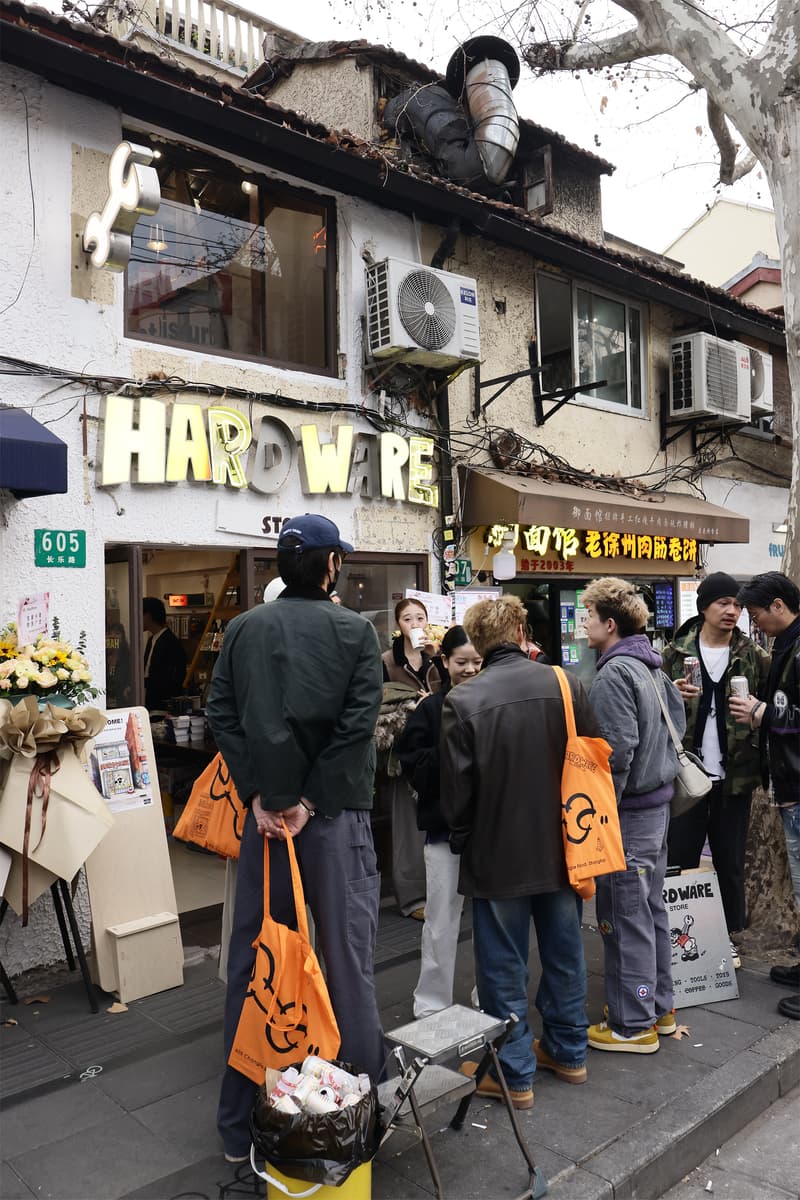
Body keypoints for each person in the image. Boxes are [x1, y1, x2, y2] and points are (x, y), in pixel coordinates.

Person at [207, 514, 385, 1162]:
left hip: (265, 824)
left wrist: (259, 793)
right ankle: (358, 1120)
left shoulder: (242, 629)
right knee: (346, 962)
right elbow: (358, 726)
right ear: (331, 564)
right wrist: (309, 801)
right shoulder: (356, 632)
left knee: (256, 964)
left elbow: (221, 713)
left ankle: (240, 1126)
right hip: (332, 818)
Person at [441, 595, 597, 1109]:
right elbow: (597, 755)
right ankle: (569, 1052)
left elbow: (456, 795)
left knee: (502, 965)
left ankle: (514, 1072)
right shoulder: (565, 683)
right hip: (566, 845)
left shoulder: (464, 699)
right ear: (521, 632)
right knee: (565, 952)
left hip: (497, 852)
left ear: (479, 643)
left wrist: (462, 840)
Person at [581, 578, 684, 1054]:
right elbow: (676, 725)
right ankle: (659, 1007)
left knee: (625, 915)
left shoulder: (613, 674)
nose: (583, 623)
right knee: (650, 909)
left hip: (629, 812)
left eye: (589, 615)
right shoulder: (650, 665)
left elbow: (616, 753)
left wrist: (602, 814)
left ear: (610, 624)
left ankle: (633, 1022)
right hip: (657, 807)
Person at [662, 572, 769, 966]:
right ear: (704, 606)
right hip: (686, 777)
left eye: (738, 605)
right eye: (723, 603)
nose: (732, 611)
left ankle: (728, 938)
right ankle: (678, 941)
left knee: (729, 863)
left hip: (735, 776)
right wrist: (671, 695)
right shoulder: (674, 653)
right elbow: (654, 708)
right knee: (680, 860)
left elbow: (767, 712)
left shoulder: (754, 655)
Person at [396, 625, 482, 1018]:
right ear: (444, 662)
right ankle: (431, 1004)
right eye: (462, 661)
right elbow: (413, 767)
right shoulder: (430, 709)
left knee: (490, 921)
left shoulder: (491, 702)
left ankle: (489, 994)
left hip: (488, 830)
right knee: (440, 920)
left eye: (477, 661)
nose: (470, 669)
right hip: (444, 830)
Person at [730, 572, 800, 1022]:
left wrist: (761, 712)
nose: (754, 624)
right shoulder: (786, 647)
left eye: (756, 614)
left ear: (778, 605)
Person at [381, 598, 444, 918]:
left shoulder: (437, 657)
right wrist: (411, 707)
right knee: (407, 828)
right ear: (398, 624)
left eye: (420, 617)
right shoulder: (387, 661)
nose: (415, 623)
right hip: (403, 750)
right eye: (408, 618)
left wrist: (438, 658)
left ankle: (442, 893)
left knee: (439, 822)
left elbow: (454, 692)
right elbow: (379, 704)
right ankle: (412, 898)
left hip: (438, 747)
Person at [142, 597, 186, 711]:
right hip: (150, 700)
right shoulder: (151, 640)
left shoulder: (170, 642)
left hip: (163, 704)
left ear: (148, 616)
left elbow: (173, 677)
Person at [105, 620, 132, 708]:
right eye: (109, 633)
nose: (113, 636)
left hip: (122, 702)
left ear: (122, 637)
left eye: (117, 633)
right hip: (104, 702)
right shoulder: (102, 657)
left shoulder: (128, 657)